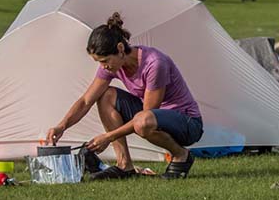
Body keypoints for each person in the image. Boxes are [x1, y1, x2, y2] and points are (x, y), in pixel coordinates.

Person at [45, 11, 204, 180]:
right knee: (106, 95)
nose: (103, 66)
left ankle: (181, 155)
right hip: (151, 117)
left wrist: (108, 137)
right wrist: (62, 126)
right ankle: (124, 166)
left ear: (120, 48)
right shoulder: (112, 66)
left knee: (143, 122)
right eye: (99, 62)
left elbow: (146, 115)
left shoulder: (155, 64)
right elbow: (86, 101)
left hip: (187, 123)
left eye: (105, 60)